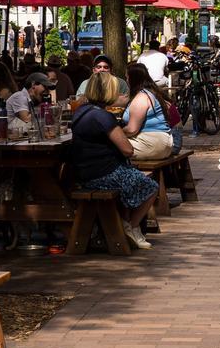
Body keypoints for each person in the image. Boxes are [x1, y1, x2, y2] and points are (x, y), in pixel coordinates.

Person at [67, 72, 159, 251]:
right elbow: (127, 150)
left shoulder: (81, 111)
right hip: (103, 174)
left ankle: (127, 224)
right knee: (151, 187)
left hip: (87, 171)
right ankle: (131, 226)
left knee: (131, 179)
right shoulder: (103, 117)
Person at [123, 64, 177, 160]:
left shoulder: (141, 97)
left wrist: (116, 132)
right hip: (162, 144)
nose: (126, 81)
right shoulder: (152, 93)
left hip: (150, 144)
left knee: (105, 146)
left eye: (127, 77)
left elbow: (132, 130)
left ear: (132, 79)